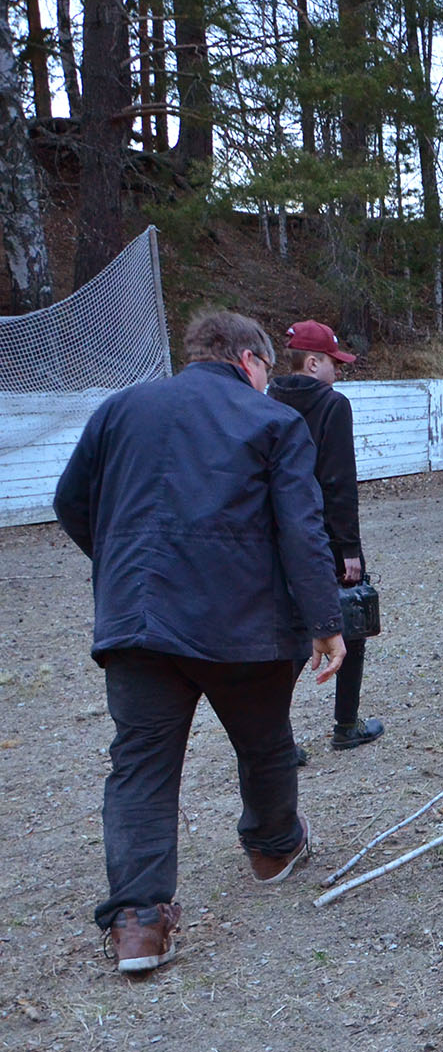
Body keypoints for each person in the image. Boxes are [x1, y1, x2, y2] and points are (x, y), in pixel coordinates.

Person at [53, 311, 345, 975]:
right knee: (264, 741)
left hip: (139, 617)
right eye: (266, 371)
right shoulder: (274, 421)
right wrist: (326, 622)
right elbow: (301, 529)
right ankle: (274, 847)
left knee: (140, 764)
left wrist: (122, 563)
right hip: (241, 620)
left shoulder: (119, 409)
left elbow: (71, 501)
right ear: (249, 360)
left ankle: (138, 923)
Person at [268, 319, 384, 754]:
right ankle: (346, 724)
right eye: (334, 361)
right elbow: (339, 482)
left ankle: (275, 738)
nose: (338, 369)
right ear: (312, 363)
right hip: (324, 536)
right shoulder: (332, 405)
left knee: (291, 635)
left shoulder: (266, 400)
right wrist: (349, 548)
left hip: (277, 537)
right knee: (349, 619)